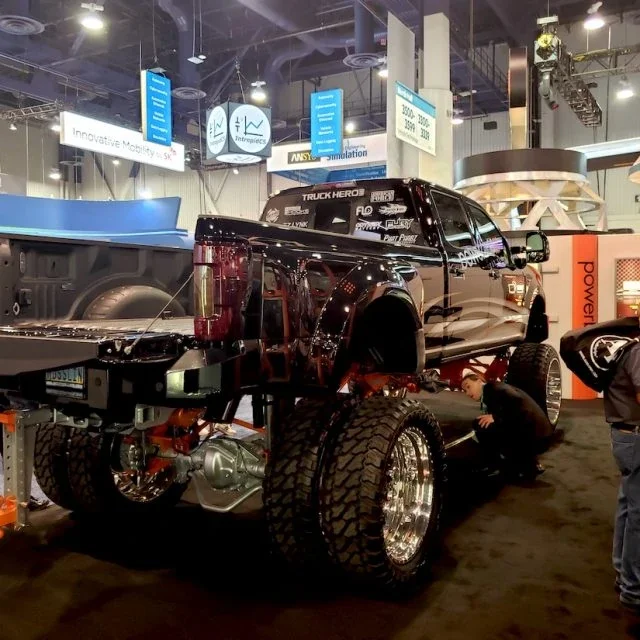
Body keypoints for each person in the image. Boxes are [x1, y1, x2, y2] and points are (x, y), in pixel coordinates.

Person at [604, 341, 640, 614]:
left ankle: (622, 572)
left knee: (627, 505)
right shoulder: (637, 351)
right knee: (638, 517)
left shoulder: (623, 349)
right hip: (634, 437)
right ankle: (633, 589)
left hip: (623, 436)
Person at [461, 373, 547, 481]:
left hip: (535, 436)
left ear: (479, 381)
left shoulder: (493, 389)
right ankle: (528, 464)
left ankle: (496, 466)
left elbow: (517, 401)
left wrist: (496, 417)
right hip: (539, 434)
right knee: (488, 424)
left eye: (468, 386)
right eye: (464, 390)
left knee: (480, 424)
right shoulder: (493, 389)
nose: (467, 393)